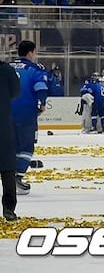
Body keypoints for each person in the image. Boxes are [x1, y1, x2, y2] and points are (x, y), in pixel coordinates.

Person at [9, 40, 48, 195]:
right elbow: (41, 88)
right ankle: (17, 178)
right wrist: (42, 104)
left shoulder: (6, 67)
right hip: (25, 112)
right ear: (30, 52)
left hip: (5, 112)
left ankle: (9, 175)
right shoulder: (35, 69)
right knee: (25, 147)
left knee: (9, 146)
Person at [0, 59, 21, 220]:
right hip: (3, 125)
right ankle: (9, 208)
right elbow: (15, 92)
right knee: (7, 169)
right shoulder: (7, 70)